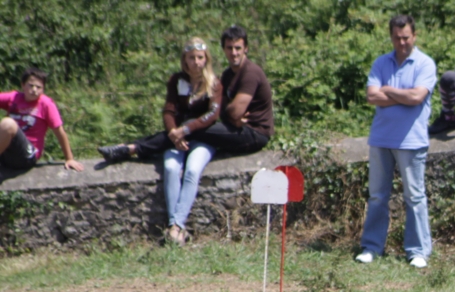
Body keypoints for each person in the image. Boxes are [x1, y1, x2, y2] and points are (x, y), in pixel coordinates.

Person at [96, 37, 222, 245]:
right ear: (185, 60)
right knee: (171, 168)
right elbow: (169, 110)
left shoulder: (214, 84)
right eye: (191, 58)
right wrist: (174, 132)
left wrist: (185, 130)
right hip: (175, 139)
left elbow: (212, 116)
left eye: (200, 58)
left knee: (191, 171)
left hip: (201, 138)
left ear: (206, 59)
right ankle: (177, 228)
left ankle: (176, 226)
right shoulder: (177, 80)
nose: (196, 62)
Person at [100, 26, 274, 161]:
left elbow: (233, 112)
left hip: (254, 134)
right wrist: (231, 115)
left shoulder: (250, 73)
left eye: (238, 48)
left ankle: (132, 148)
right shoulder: (228, 75)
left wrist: (231, 114)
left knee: (190, 128)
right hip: (237, 128)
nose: (234, 52)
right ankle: (131, 148)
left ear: (246, 49)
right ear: (223, 49)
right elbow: (227, 112)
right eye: (229, 48)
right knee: (190, 127)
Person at [355, 14, 437, 269]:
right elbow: (371, 96)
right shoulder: (381, 63)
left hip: (412, 142)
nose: (401, 42)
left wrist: (388, 90)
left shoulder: (425, 64)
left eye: (406, 37)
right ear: (391, 36)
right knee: (378, 196)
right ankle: (371, 247)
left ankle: (418, 251)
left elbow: (416, 97)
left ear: (414, 36)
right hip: (381, 139)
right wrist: (403, 94)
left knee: (414, 197)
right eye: (396, 37)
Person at [0, 68, 83, 172]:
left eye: (38, 87)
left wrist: (69, 159)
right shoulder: (14, 97)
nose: (34, 89)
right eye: (31, 85)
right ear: (23, 85)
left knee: (7, 124)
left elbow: (60, 132)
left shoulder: (46, 104)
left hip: (27, 156)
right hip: (6, 152)